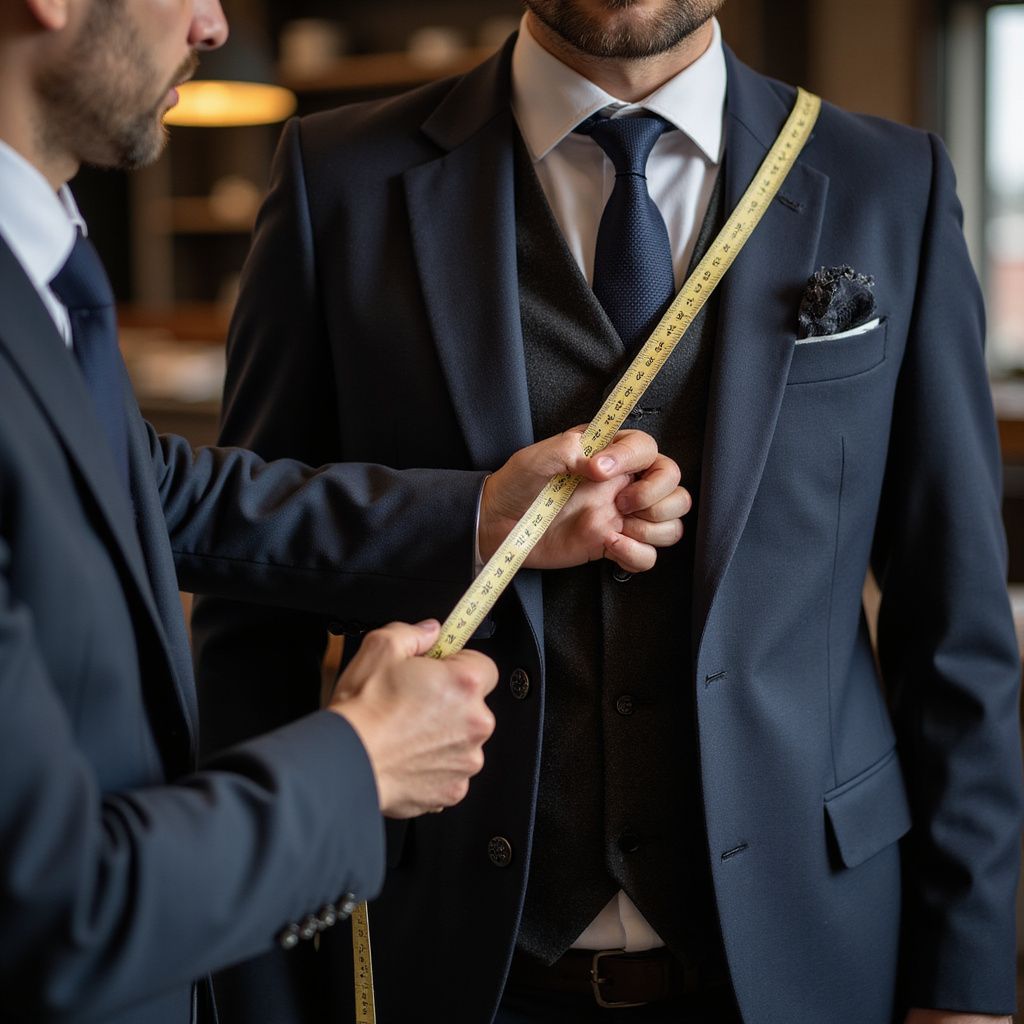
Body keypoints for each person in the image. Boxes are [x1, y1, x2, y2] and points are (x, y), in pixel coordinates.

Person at [192, 1, 1023, 1023]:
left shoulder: (889, 181)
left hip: (809, 953)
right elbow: (252, 611)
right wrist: (256, 987)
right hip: (442, 957)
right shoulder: (341, 181)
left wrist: (966, 983)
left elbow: (957, 628)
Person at [0, 1, 691, 1021]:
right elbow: (54, 905)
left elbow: (154, 487)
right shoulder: (330, 176)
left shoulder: (38, 259)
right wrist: (360, 761)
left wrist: (481, 518)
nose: (213, 23)